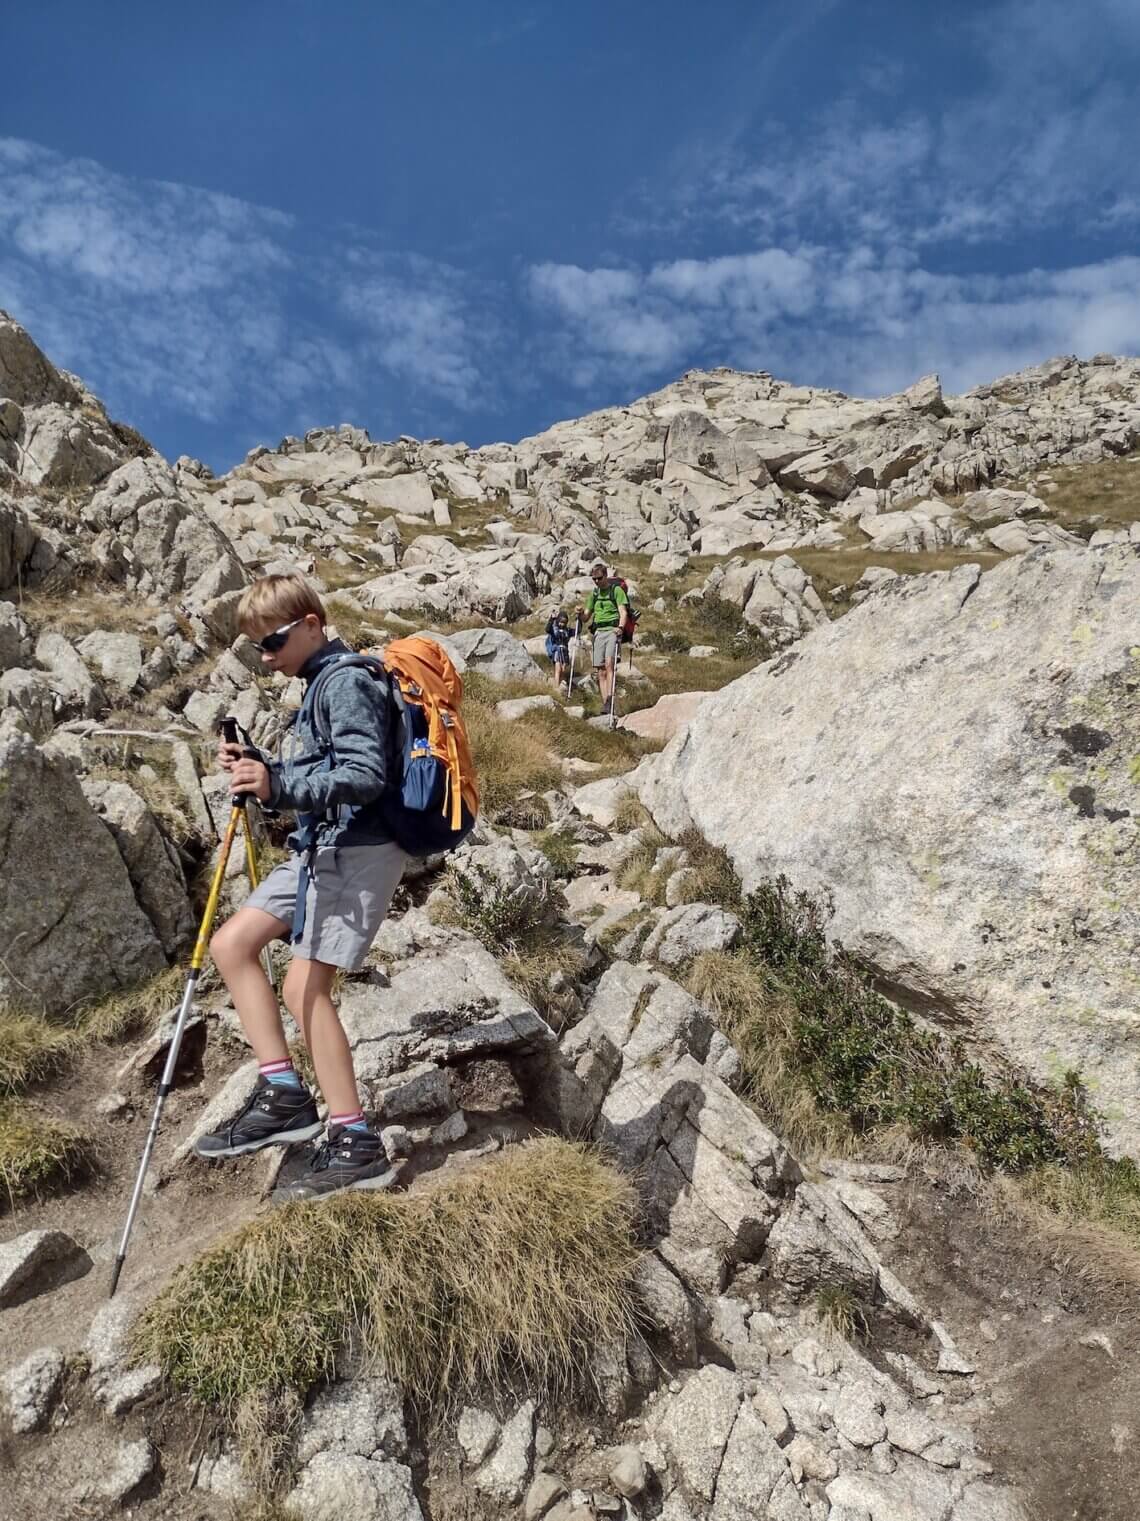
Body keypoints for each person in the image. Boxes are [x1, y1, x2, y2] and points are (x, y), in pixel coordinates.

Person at [194, 572, 409, 1201]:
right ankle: (285, 1094)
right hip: (322, 848)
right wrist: (267, 768)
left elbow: (366, 774)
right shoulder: (320, 683)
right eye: (257, 646)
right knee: (233, 945)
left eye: (274, 641)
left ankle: (356, 1142)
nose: (266, 657)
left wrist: (277, 786)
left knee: (302, 986)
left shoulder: (344, 682)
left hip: (359, 849)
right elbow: (324, 769)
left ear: (312, 625)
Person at [578, 562, 629, 715]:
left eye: (599, 578)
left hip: (613, 631)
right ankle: (606, 705)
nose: (597, 581)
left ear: (606, 575)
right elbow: (586, 617)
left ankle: (610, 699)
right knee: (600, 671)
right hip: (599, 632)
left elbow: (623, 612)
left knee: (609, 665)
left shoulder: (616, 591)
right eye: (594, 579)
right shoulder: (594, 594)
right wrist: (580, 614)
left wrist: (620, 628)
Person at [544, 609, 572, 688]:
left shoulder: (568, 630)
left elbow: (578, 630)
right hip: (557, 651)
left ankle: (562, 684)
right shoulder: (554, 629)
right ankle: (556, 686)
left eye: (564, 622)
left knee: (563, 670)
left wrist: (579, 620)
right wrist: (551, 619)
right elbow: (547, 629)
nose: (562, 624)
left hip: (565, 652)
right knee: (558, 669)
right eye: (560, 622)